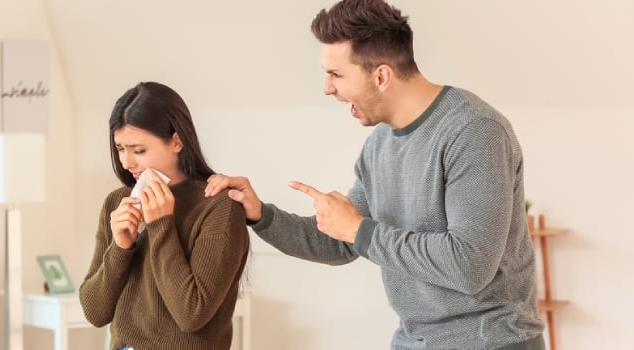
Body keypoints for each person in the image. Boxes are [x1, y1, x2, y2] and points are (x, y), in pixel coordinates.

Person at [204, 0, 545, 349]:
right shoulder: (379, 145)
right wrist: (260, 214)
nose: (327, 88)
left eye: (336, 74)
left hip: (488, 342)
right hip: (414, 341)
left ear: (381, 76)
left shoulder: (474, 131)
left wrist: (358, 229)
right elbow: (341, 240)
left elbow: (470, 266)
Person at [80, 81, 250, 350]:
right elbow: (95, 311)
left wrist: (161, 225)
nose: (126, 162)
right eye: (120, 148)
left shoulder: (219, 208)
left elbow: (191, 314)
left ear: (176, 141)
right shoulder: (117, 202)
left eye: (138, 150)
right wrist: (121, 248)